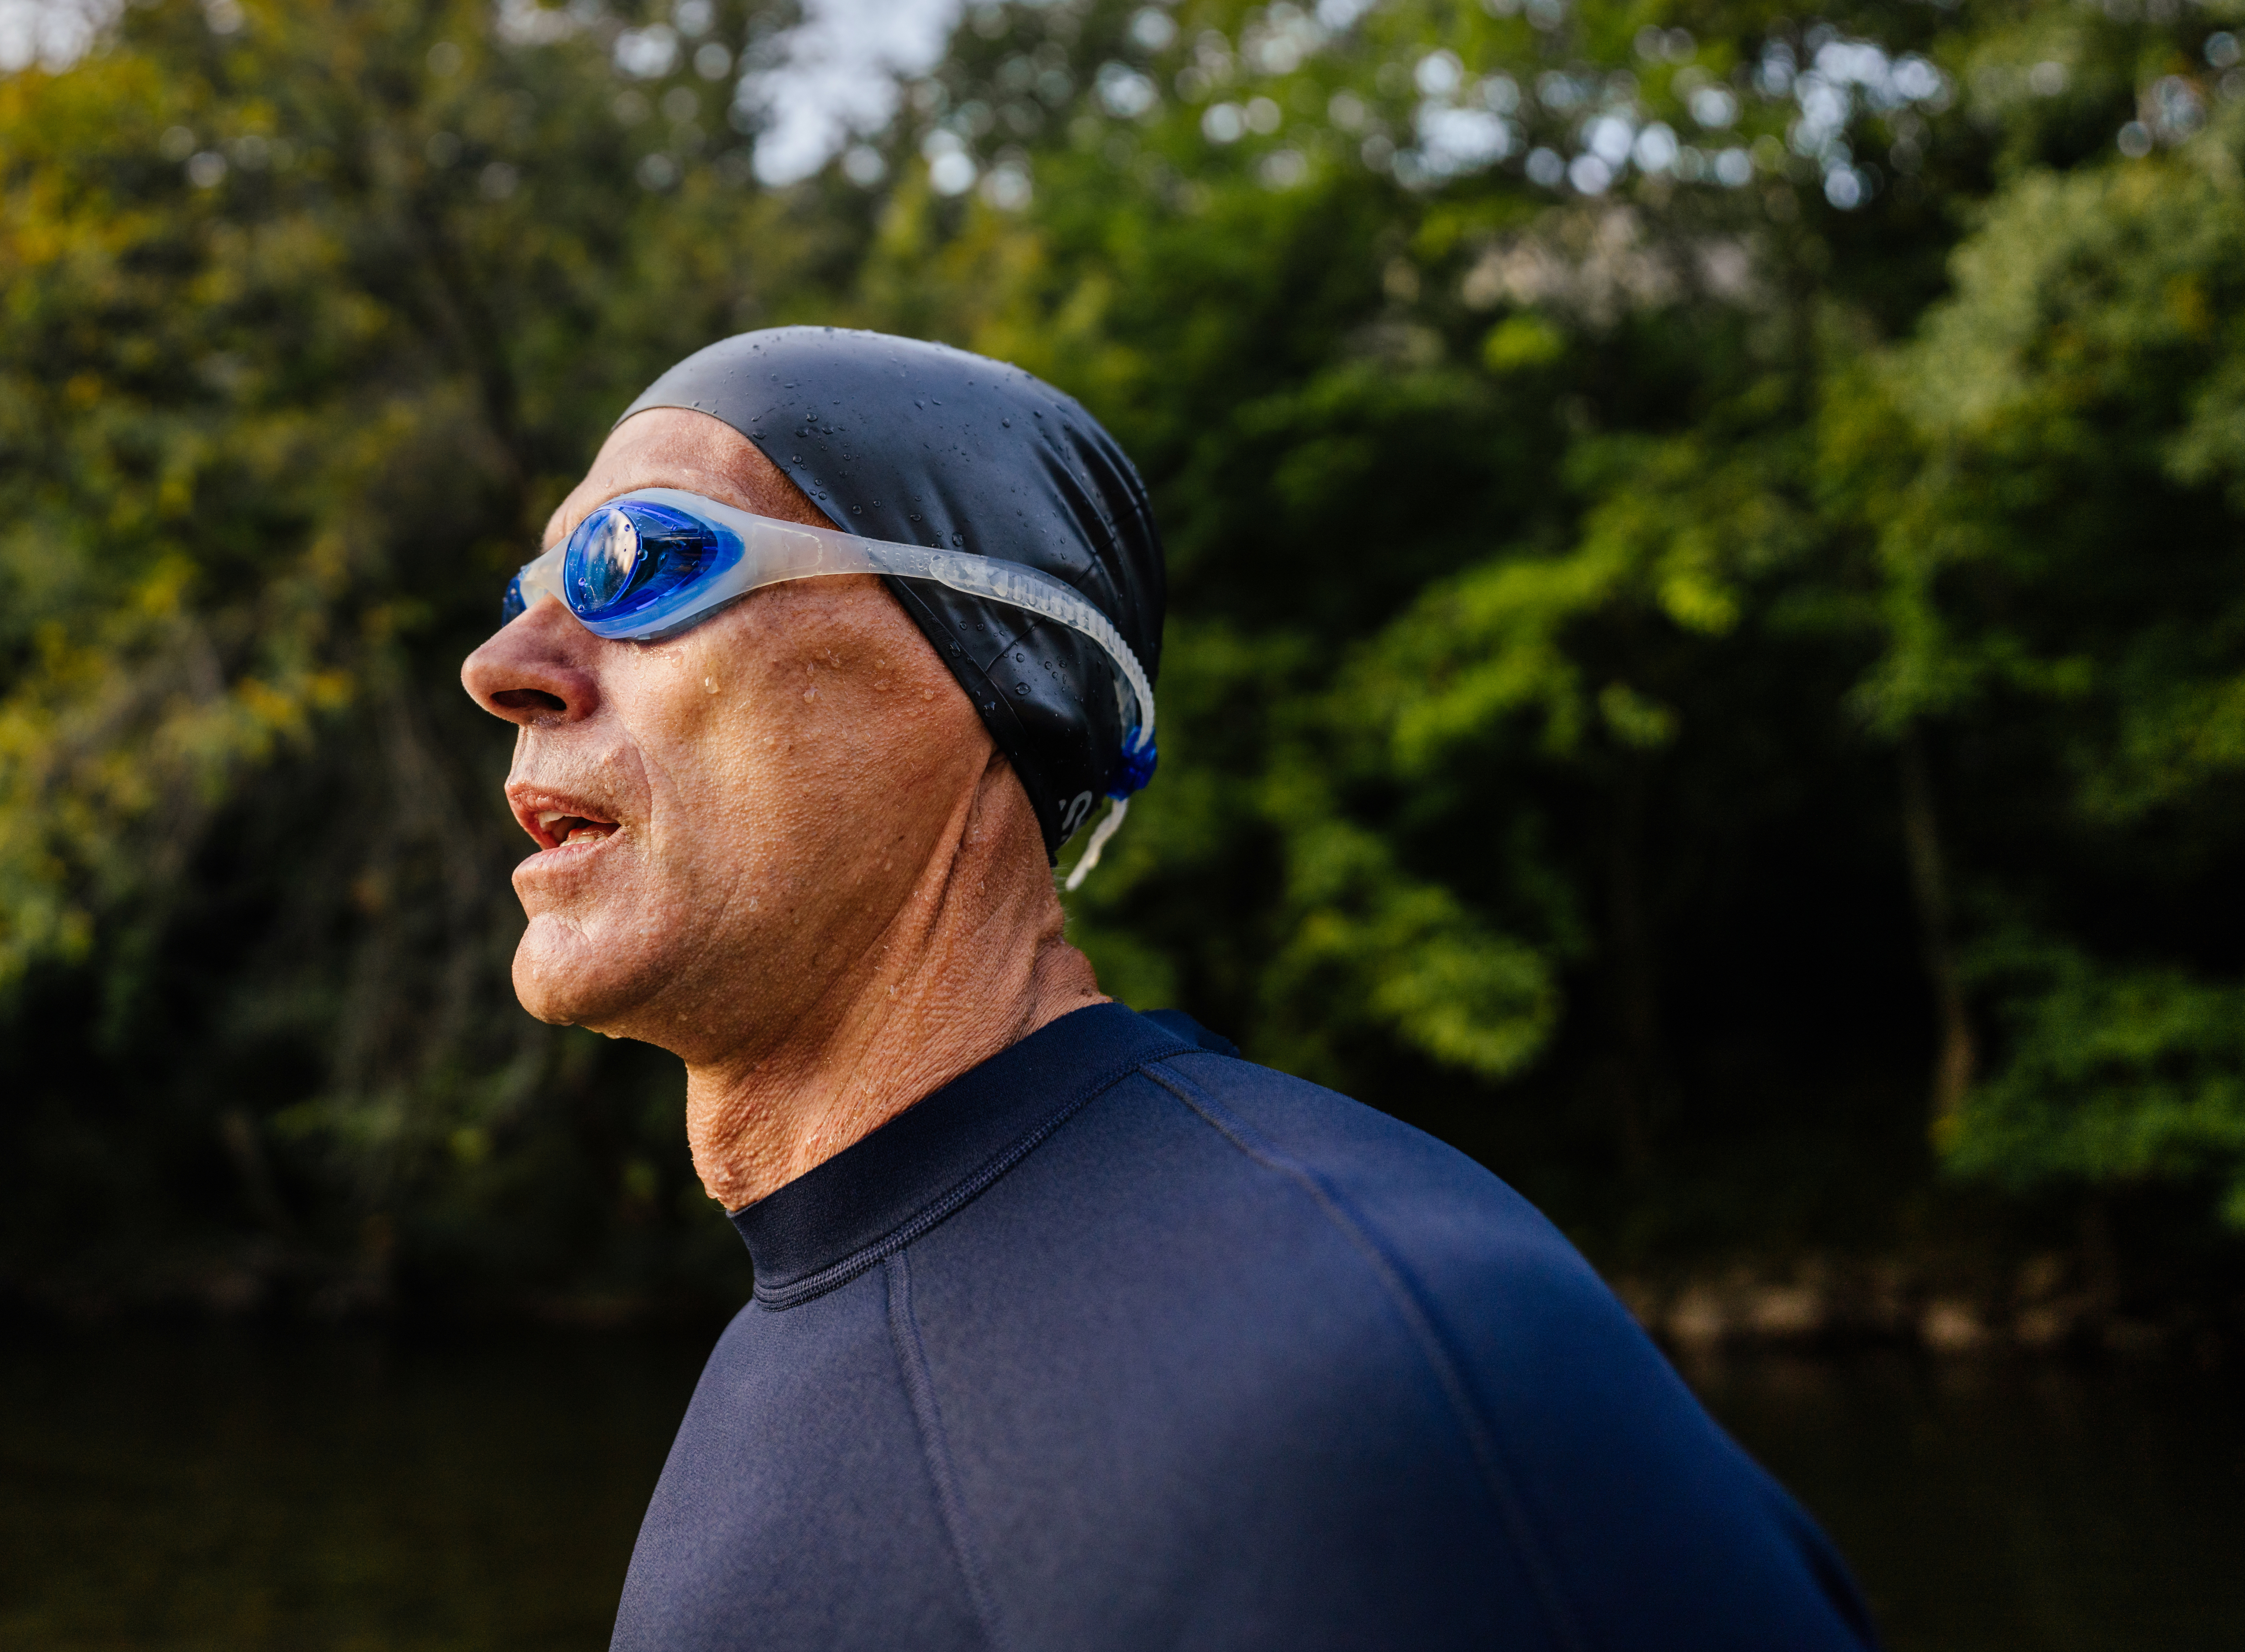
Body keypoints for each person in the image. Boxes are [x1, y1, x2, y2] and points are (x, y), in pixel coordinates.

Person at [462, 326, 1879, 1651]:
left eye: (632, 561)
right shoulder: (799, 1330)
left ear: (985, 661)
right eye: (526, 593)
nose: (504, 667)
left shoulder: (1367, 1368)